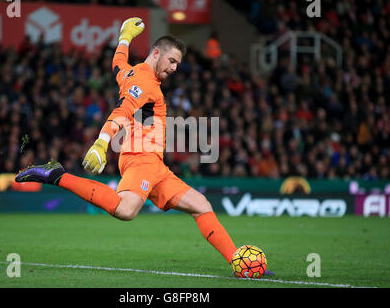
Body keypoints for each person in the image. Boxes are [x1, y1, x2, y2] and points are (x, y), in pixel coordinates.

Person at [16, 17, 272, 275]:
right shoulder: (145, 82)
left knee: (201, 204)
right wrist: (101, 143)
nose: (174, 68)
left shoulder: (132, 73)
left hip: (153, 163)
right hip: (142, 156)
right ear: (156, 53)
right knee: (126, 210)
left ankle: (239, 265)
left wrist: (124, 38)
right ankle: (57, 175)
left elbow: (117, 64)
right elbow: (122, 111)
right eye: (172, 61)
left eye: (178, 65)